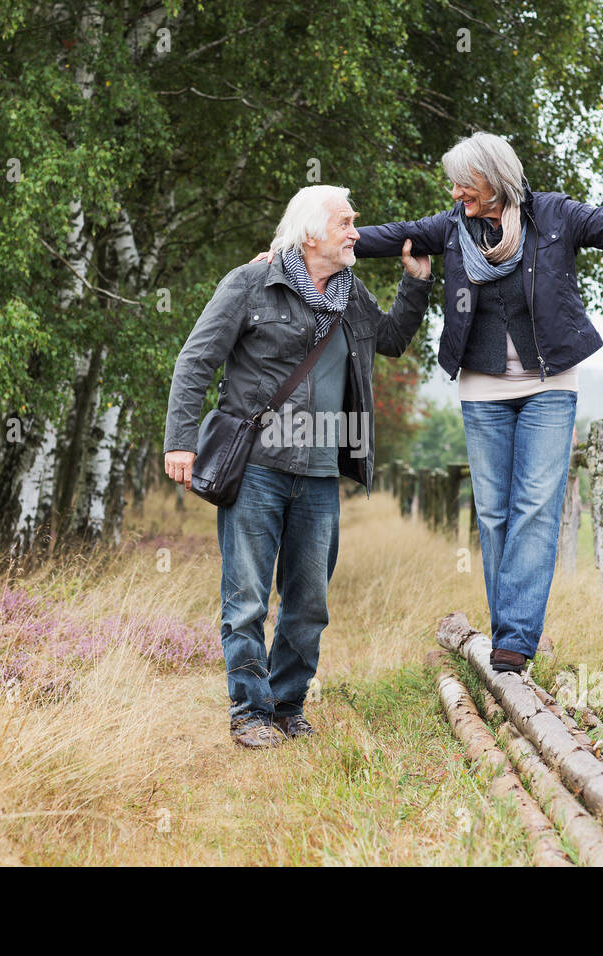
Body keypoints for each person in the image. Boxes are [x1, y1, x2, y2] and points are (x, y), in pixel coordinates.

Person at [252, 132, 603, 675]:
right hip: (482, 385)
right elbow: (386, 237)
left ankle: (513, 644)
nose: (456, 193)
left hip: (549, 383)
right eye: (455, 184)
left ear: (494, 178)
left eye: (466, 183)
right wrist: (298, 249)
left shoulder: (553, 216)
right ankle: (512, 633)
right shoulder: (452, 227)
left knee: (536, 504)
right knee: (494, 512)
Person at [164, 185, 433, 748]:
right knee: (247, 601)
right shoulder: (250, 283)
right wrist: (180, 443)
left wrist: (415, 281)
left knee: (308, 601)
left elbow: (390, 340)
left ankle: (287, 706)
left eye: (354, 221)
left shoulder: (350, 293)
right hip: (257, 465)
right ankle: (250, 713)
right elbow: (196, 360)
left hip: (318, 473)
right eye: (345, 222)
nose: (356, 231)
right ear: (311, 232)